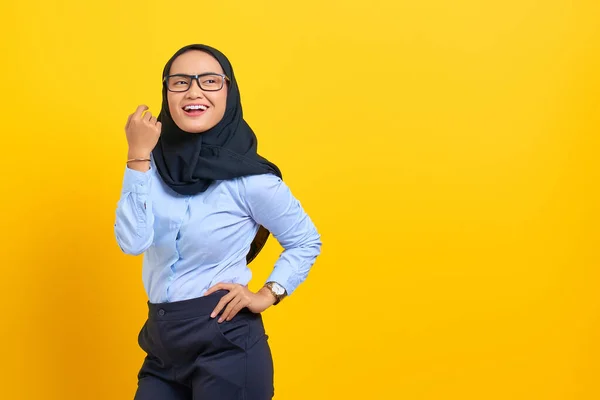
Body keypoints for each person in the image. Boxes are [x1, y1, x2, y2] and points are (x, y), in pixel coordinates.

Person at [114, 44, 322, 400]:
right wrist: (137, 156)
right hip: (162, 342)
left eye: (209, 81)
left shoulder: (252, 181)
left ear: (229, 90)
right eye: (180, 82)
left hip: (225, 342)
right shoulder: (151, 163)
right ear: (166, 92)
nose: (194, 91)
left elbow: (306, 240)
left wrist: (268, 294)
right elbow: (132, 243)